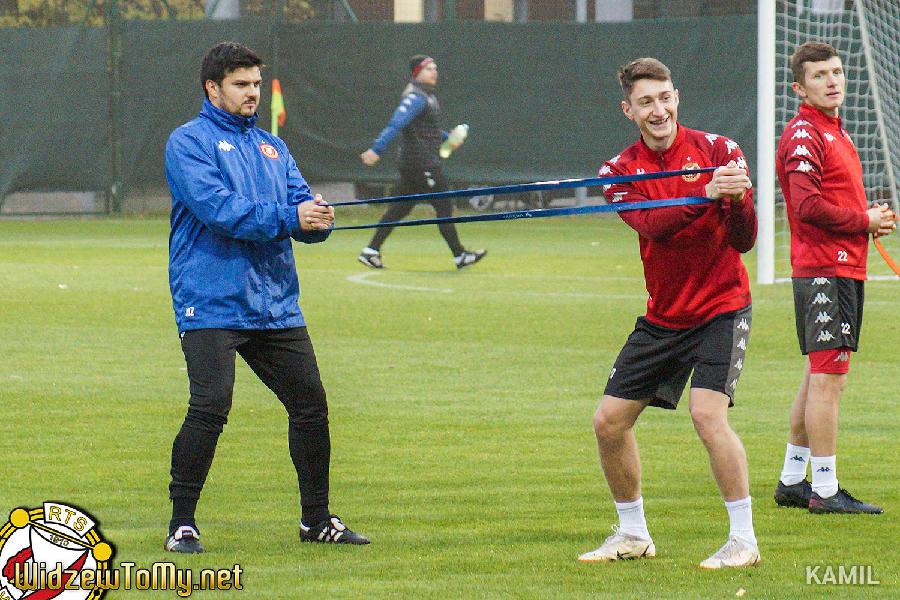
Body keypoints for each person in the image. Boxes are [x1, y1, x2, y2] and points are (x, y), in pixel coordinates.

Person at [163, 42, 369, 553]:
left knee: (310, 406)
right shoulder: (188, 142)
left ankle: (315, 520)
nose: (251, 92)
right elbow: (220, 210)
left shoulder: (272, 147)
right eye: (241, 84)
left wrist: (317, 218)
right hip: (211, 299)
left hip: (274, 302)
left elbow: (299, 206)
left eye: (256, 83)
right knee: (210, 406)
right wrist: (290, 217)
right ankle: (182, 524)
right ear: (213, 88)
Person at [577, 58, 760, 569]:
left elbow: (745, 239)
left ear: (676, 97)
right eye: (646, 103)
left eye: (664, 98)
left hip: (722, 307)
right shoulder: (617, 172)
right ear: (628, 110)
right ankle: (633, 534)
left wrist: (738, 198)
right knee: (608, 423)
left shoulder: (719, 150)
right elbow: (653, 225)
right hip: (664, 316)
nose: (658, 110)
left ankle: (743, 540)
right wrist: (706, 193)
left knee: (707, 415)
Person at [773, 42, 894, 514]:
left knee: (815, 376)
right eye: (820, 75)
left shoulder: (833, 130)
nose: (833, 81)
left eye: (837, 72)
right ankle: (825, 490)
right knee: (829, 381)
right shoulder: (805, 134)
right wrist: (862, 220)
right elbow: (805, 205)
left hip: (839, 264)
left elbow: (833, 199)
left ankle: (792, 479)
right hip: (826, 267)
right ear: (799, 88)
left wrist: (868, 218)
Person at [358, 54, 486, 270]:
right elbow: (396, 124)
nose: (434, 72)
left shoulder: (428, 97)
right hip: (422, 164)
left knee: (399, 209)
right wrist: (376, 149)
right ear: (417, 73)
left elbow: (429, 129)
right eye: (429, 69)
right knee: (444, 206)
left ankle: (371, 251)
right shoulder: (415, 98)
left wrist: (448, 138)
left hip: (417, 164)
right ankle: (460, 256)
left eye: (435, 68)